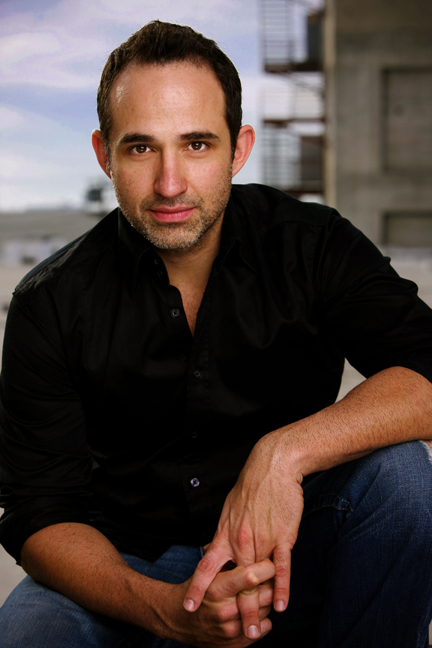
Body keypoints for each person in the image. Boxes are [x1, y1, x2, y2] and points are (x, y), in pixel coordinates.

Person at [1, 20, 432, 648]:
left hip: (289, 547)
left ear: (239, 149)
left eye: (197, 144)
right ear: (103, 153)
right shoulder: (50, 301)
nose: (170, 183)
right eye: (141, 148)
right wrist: (163, 609)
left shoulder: (313, 245)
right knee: (28, 630)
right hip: (125, 567)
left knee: (402, 477)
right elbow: (39, 511)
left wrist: (285, 453)